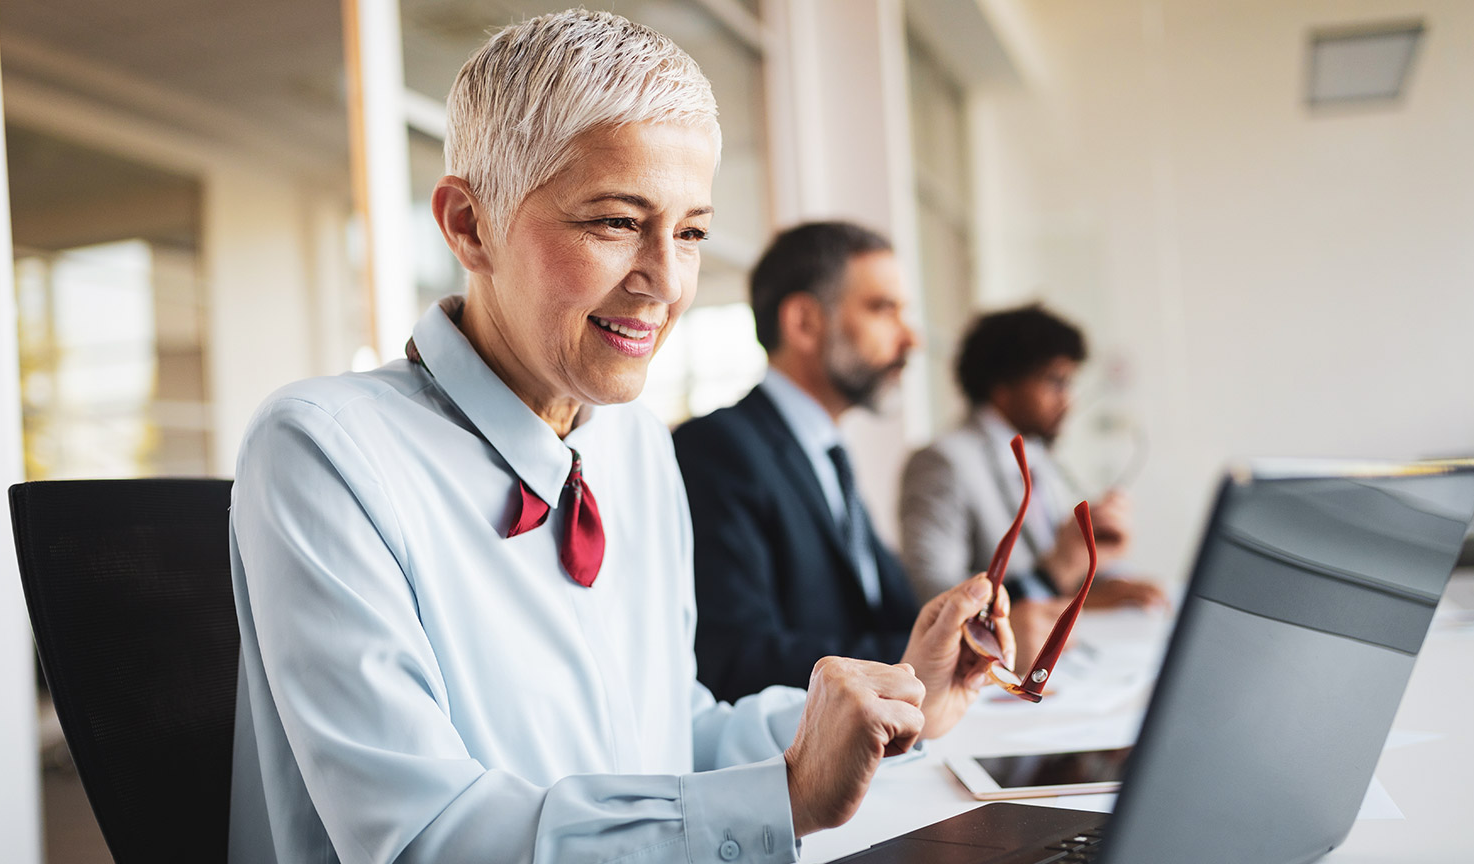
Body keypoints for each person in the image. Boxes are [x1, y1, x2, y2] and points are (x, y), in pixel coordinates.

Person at [227, 12, 1013, 863]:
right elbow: (424, 838)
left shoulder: (635, 446)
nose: (666, 282)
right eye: (613, 222)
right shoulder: (324, 451)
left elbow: (670, 737)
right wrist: (778, 800)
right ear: (468, 226)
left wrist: (894, 705)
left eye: (692, 232)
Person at [673, 222, 921, 702]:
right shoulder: (717, 449)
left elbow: (890, 614)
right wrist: (914, 662)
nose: (911, 338)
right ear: (804, 322)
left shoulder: (829, 452)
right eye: (883, 309)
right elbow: (738, 657)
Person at [898, 303, 1165, 672]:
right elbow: (933, 602)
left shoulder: (1037, 454)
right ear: (1003, 385)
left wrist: (1102, 576)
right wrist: (1059, 567)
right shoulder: (942, 462)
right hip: (988, 682)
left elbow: (1056, 573)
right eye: (1055, 381)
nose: (1068, 399)